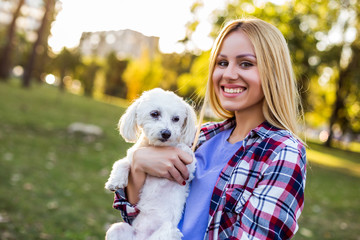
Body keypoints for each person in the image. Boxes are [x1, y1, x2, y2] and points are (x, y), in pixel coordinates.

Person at [112, 17, 307, 240]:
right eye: (222, 63)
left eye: (246, 63)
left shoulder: (283, 152)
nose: (229, 74)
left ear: (273, 72)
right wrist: (137, 164)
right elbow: (135, 217)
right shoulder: (200, 136)